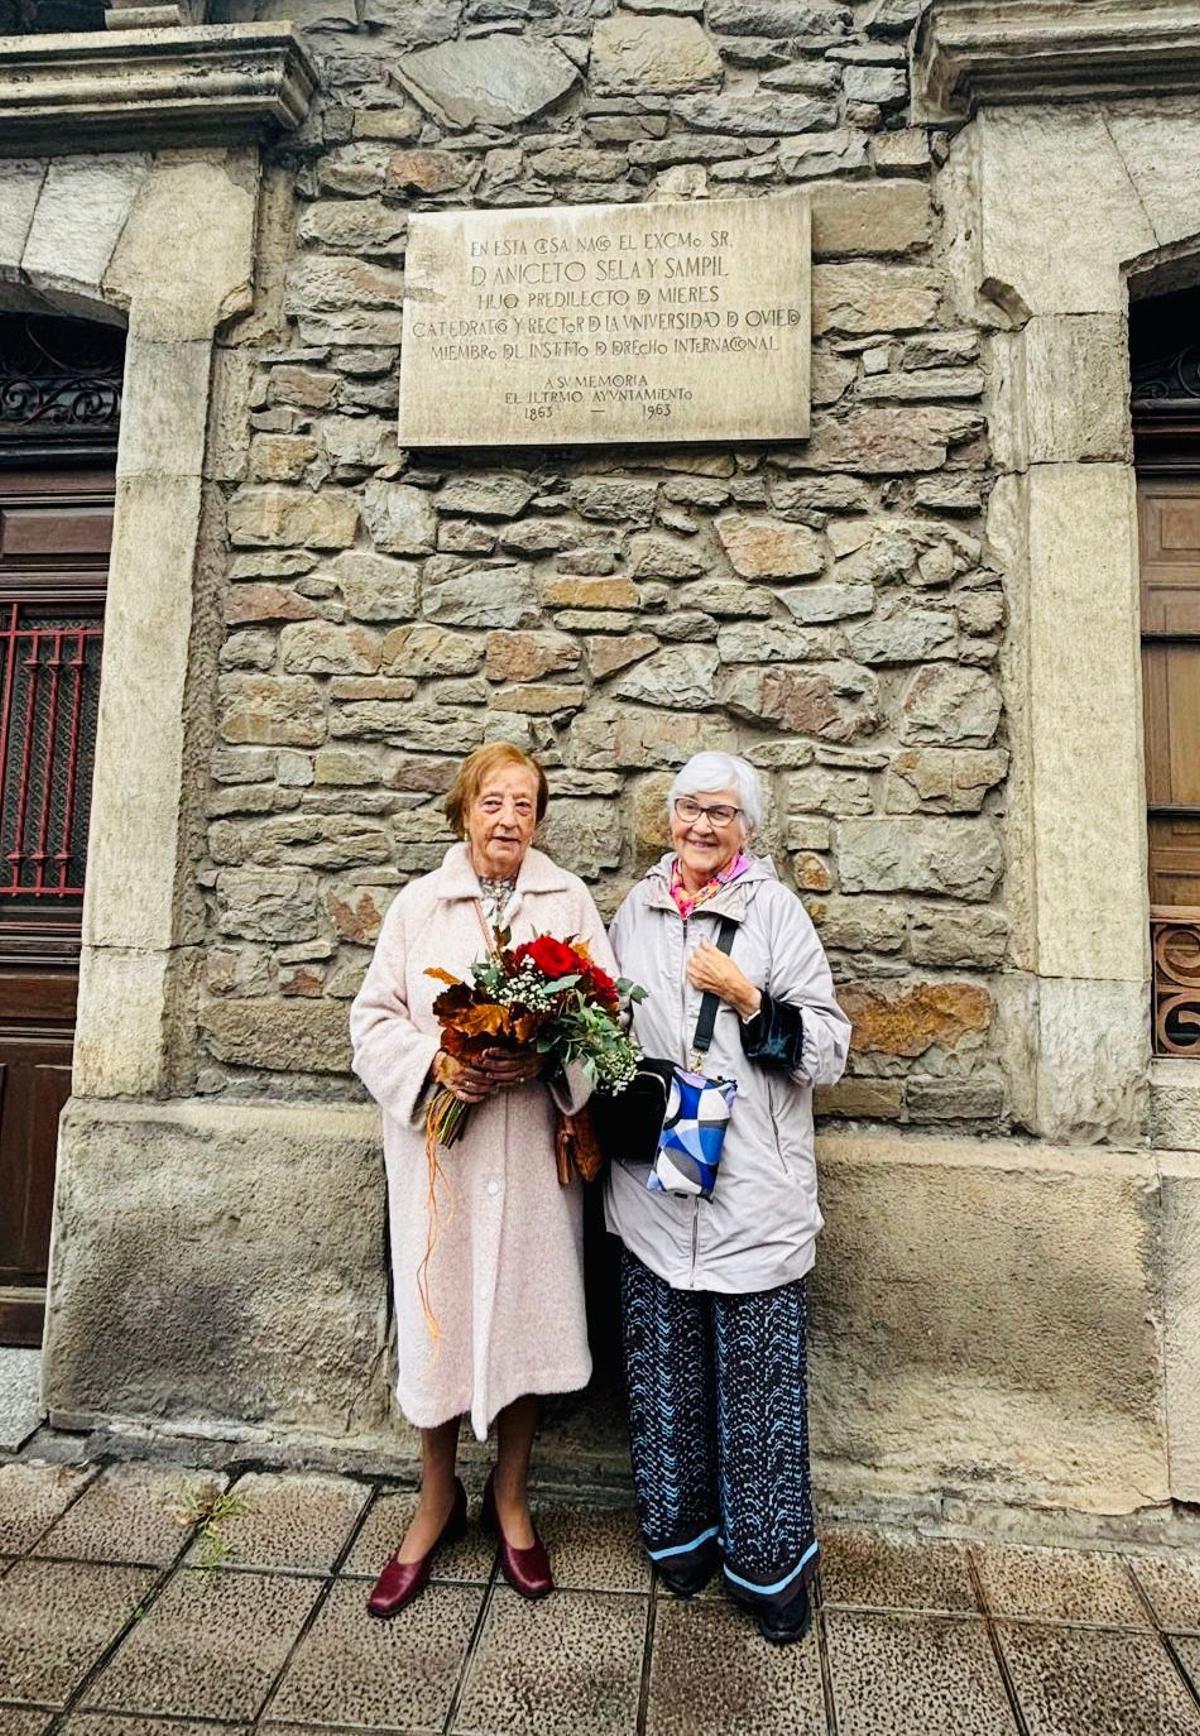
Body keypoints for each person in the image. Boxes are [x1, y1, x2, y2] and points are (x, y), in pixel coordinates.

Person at [350, 741, 618, 1617]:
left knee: (527, 1319)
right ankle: (435, 1499)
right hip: (443, 1157)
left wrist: (545, 1055)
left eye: (525, 806)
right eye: (493, 802)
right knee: (441, 1319)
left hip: (533, 1158)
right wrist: (439, 1064)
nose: (508, 820)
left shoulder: (566, 899)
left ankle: (510, 1497)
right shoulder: (419, 905)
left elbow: (604, 1019)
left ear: (539, 820)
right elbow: (371, 1019)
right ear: (464, 809)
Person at [606, 750, 850, 1645]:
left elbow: (829, 1048)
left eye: (722, 813)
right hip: (658, 1185)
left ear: (747, 827)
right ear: (668, 819)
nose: (702, 827)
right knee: (662, 1377)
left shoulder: (772, 911)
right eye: (688, 810)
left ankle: (771, 1570)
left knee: (758, 1392)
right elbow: (606, 1025)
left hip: (753, 1189)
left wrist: (747, 997)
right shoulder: (634, 909)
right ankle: (681, 1545)